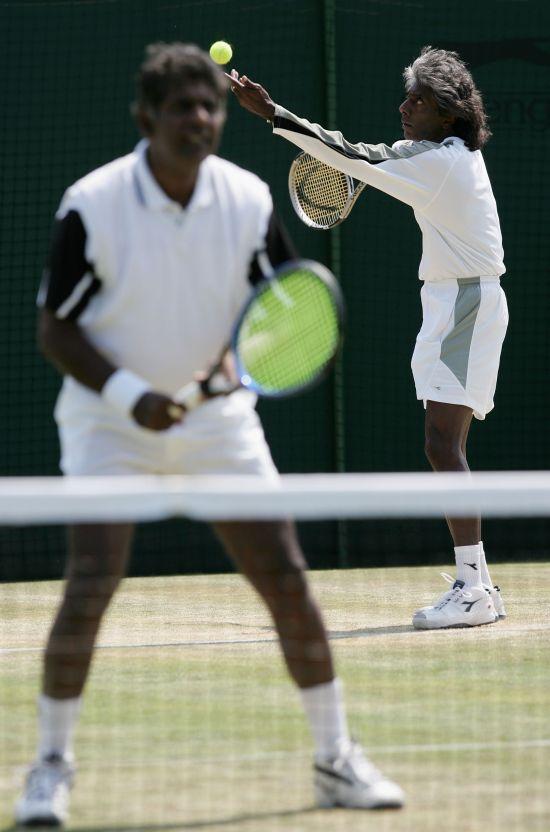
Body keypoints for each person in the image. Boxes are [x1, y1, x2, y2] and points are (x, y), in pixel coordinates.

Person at [14, 43, 404, 827]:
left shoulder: (249, 197)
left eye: (211, 107)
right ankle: (49, 767)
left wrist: (230, 367)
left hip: (219, 421)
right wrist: (132, 397)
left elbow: (283, 308)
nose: (200, 119)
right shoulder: (92, 204)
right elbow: (55, 330)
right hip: (107, 426)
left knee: (286, 578)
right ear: (146, 117)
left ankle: (335, 758)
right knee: (91, 583)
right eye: (183, 106)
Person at [228, 46, 508, 631]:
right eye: (408, 96)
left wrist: (274, 113)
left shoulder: (442, 165)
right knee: (443, 442)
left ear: (448, 114)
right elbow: (360, 153)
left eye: (419, 101)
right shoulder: (438, 153)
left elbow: (349, 156)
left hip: (465, 303)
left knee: (441, 444)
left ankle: (474, 588)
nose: (404, 107)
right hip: (453, 301)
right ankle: (477, 582)